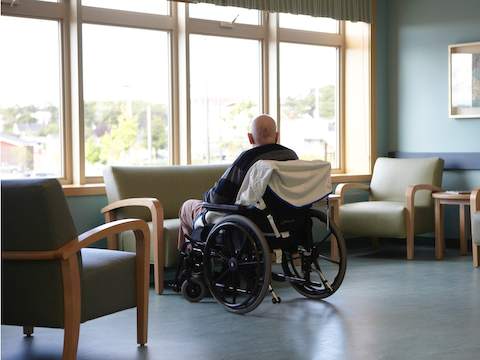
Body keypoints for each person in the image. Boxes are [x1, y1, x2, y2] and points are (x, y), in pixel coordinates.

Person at [177, 114, 298, 249]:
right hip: (286, 222)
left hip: (247, 220)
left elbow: (218, 197)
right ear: (277, 136)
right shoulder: (292, 157)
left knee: (187, 206)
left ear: (250, 138)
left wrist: (207, 197)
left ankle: (190, 257)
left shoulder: (248, 159)